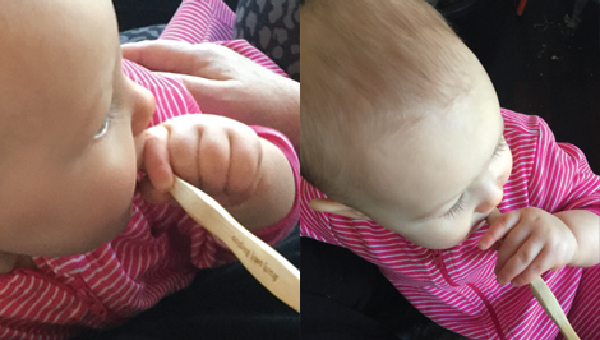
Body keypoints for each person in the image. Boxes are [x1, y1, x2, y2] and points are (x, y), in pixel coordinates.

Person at [300, 1, 599, 340]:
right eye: (455, 202)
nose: (493, 195)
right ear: (359, 210)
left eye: (496, 149)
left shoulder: (529, 156)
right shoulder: (349, 213)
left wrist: (570, 236)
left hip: (582, 293)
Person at [0, 0, 299, 339]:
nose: (143, 101)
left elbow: (258, 236)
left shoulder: (159, 140)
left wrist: (252, 177)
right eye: (99, 124)